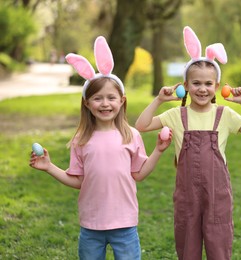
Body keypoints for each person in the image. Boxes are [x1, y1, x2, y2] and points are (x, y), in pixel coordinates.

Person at [29, 36, 171, 260]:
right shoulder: (81, 140)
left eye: (111, 98)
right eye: (97, 98)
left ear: (122, 101)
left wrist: (159, 150)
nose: (105, 104)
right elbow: (77, 180)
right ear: (87, 103)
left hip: (124, 223)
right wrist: (49, 167)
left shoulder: (131, 135)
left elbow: (139, 173)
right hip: (91, 224)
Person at [135, 26, 241, 260]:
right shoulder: (176, 115)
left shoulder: (224, 114)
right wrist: (159, 100)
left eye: (207, 84)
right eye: (196, 83)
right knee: (187, 243)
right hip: (187, 195)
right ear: (186, 85)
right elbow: (141, 126)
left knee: (218, 242)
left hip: (217, 194)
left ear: (216, 86)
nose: (202, 89)